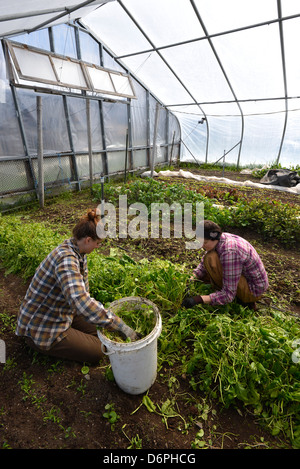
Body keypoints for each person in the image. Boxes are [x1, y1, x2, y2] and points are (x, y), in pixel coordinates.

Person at [16, 209, 139, 363]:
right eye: (98, 243)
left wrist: (107, 320)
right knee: (99, 350)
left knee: (102, 332)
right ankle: (47, 343)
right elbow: (81, 301)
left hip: (61, 310)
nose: (98, 247)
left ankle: (76, 334)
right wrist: (120, 325)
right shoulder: (66, 260)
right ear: (88, 240)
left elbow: (82, 297)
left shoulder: (77, 250)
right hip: (42, 327)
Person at [182, 220, 269, 309]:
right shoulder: (220, 239)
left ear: (214, 238)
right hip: (243, 276)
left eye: (204, 243)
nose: (201, 246)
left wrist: (198, 299)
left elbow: (228, 295)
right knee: (209, 259)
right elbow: (202, 266)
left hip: (253, 290)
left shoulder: (230, 252)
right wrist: (191, 279)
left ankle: (246, 301)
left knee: (211, 259)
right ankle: (223, 292)